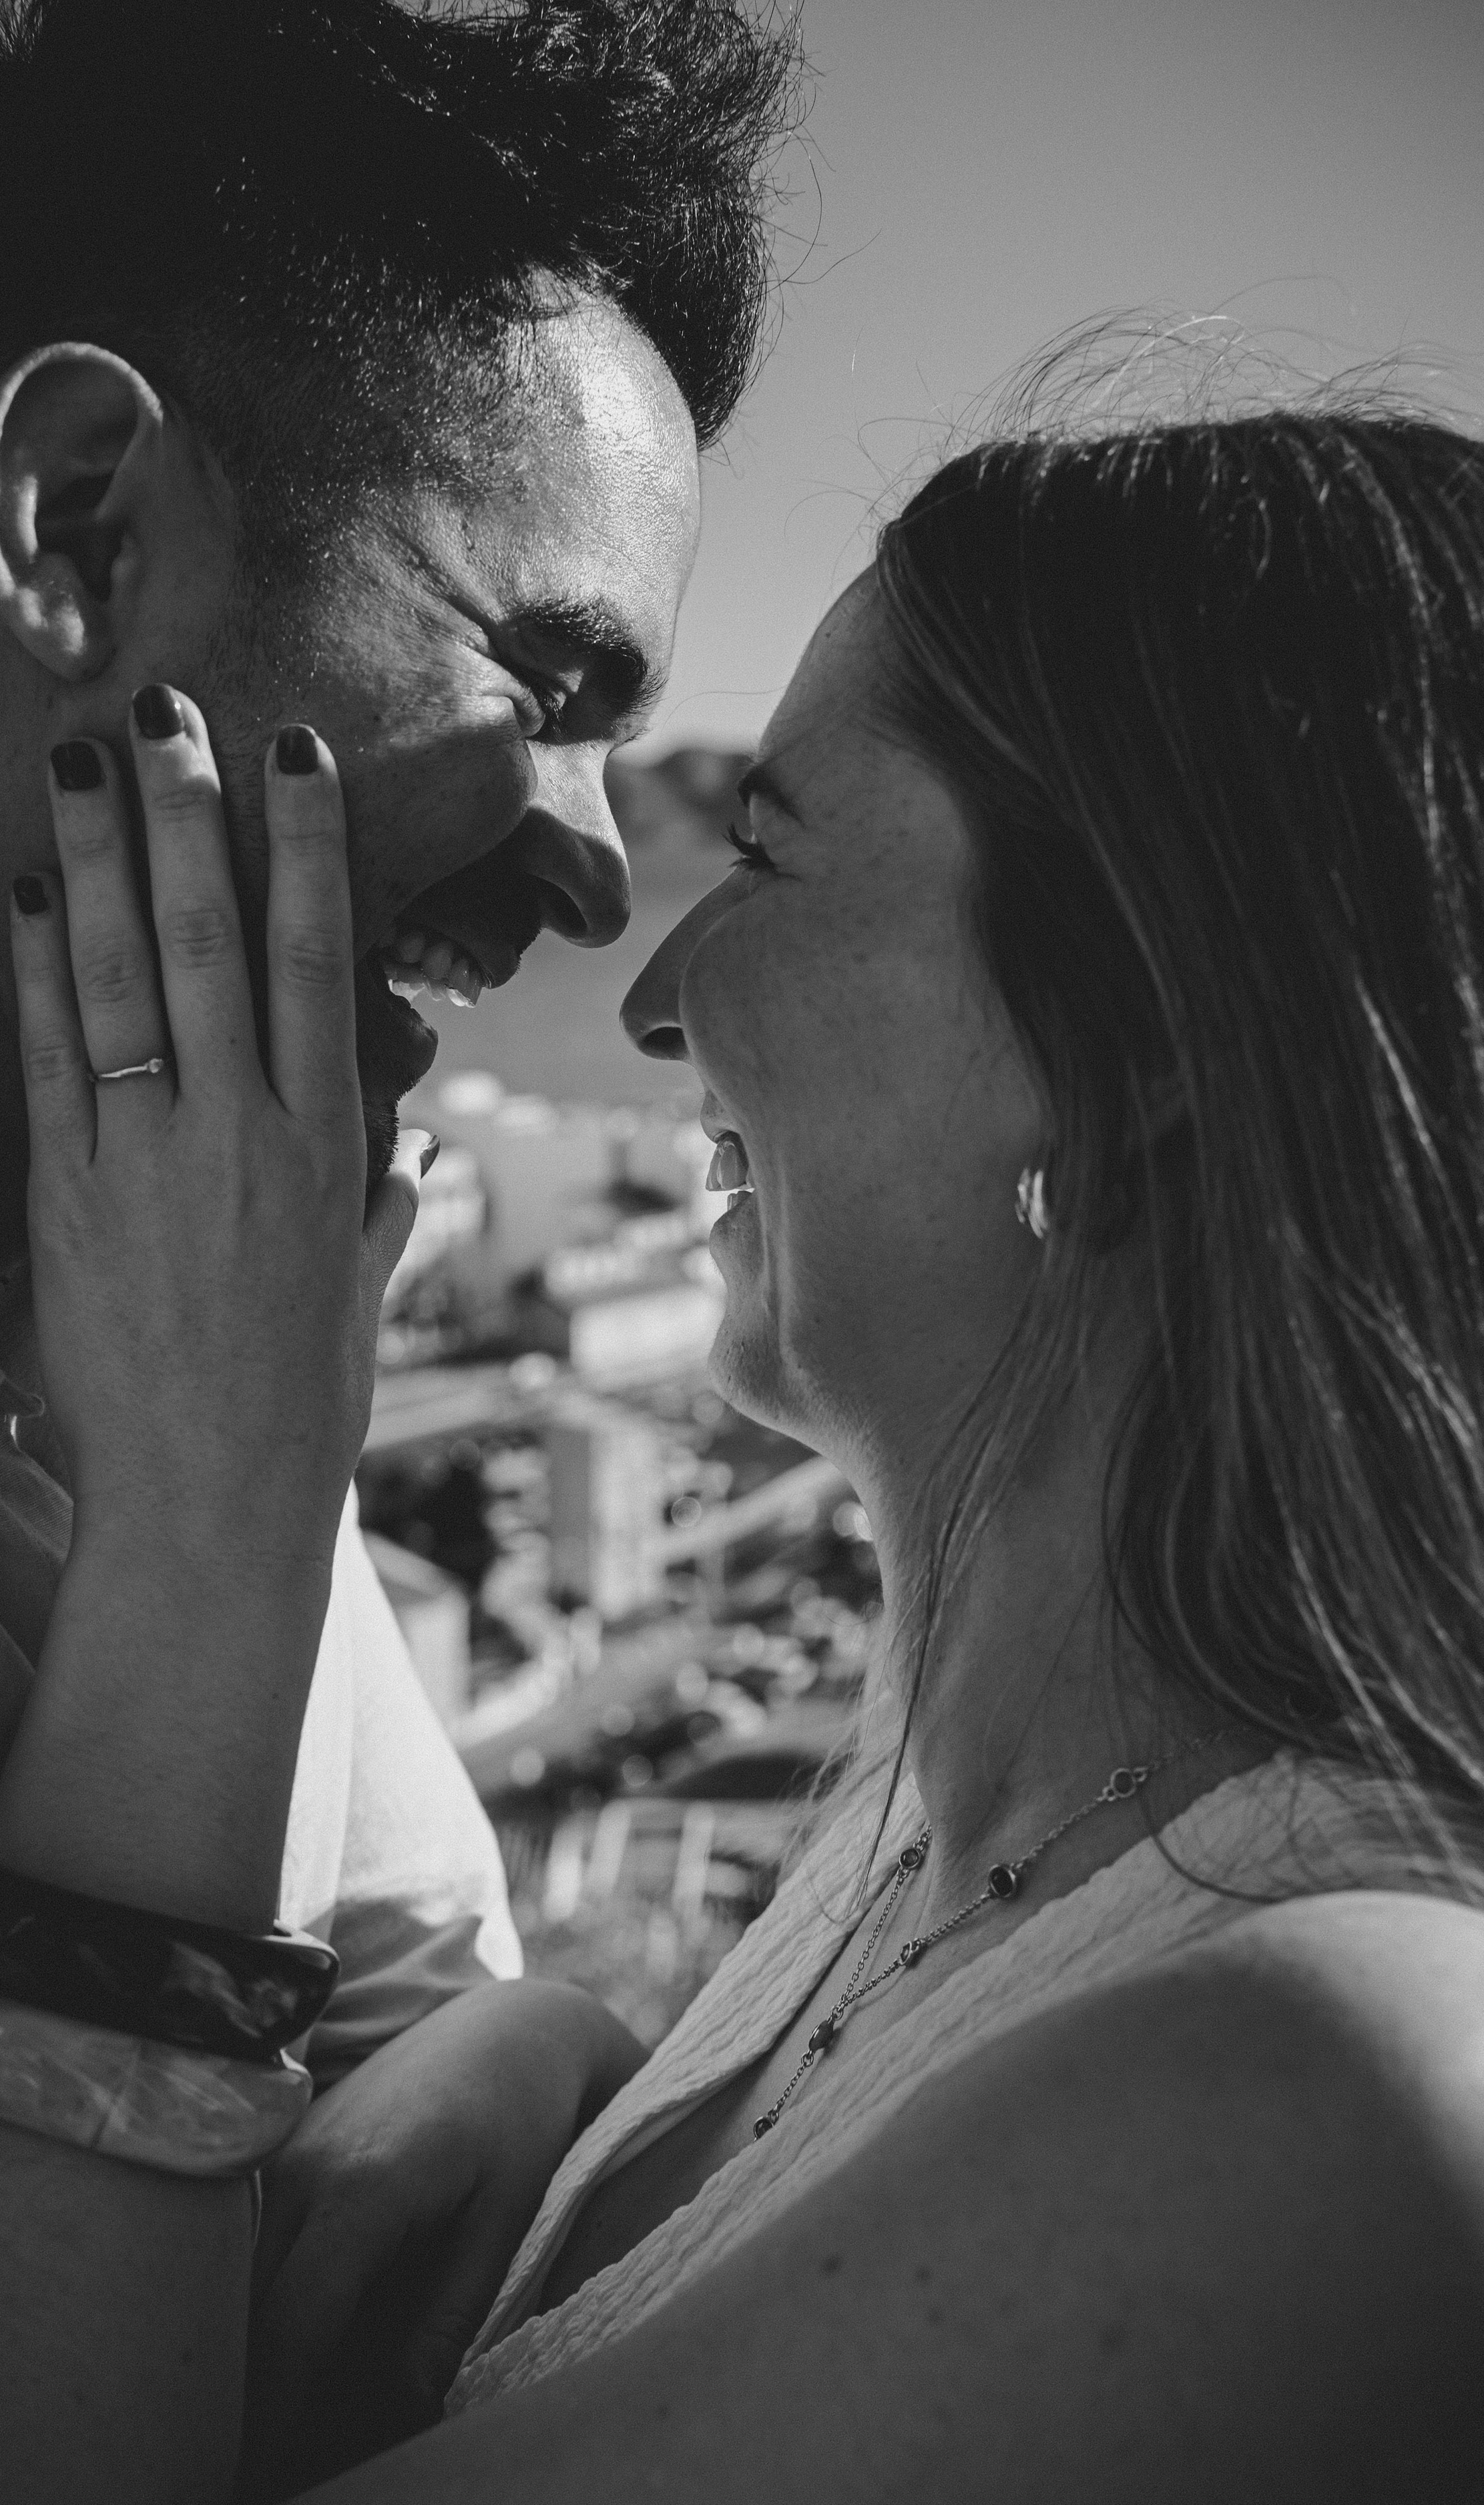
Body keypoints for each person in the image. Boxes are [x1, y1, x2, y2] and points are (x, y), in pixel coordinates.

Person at [233, 402, 1484, 2503]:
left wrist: (211, 1526)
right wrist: (559, 2070)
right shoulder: (950, 1829)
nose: (657, 992)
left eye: (775, 852)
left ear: (1145, 1035)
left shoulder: (1330, 2087)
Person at [0, 0, 799, 2490]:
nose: (599, 869)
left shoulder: (185, 1315)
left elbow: (433, 2002)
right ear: (82, 517)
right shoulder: (217, 1408)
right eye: (548, 680)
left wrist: (513, 2063)